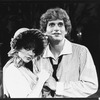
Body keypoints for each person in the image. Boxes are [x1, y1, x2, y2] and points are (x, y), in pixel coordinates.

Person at [36, 7, 99, 98]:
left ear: (66, 30)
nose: (56, 28)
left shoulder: (81, 52)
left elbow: (91, 85)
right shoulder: (38, 55)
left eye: (60, 24)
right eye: (52, 24)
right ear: (45, 31)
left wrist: (57, 86)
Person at [3, 28, 50, 98]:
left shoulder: (26, 69)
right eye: (27, 48)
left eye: (34, 50)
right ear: (18, 47)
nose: (31, 54)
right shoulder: (12, 70)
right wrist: (41, 81)